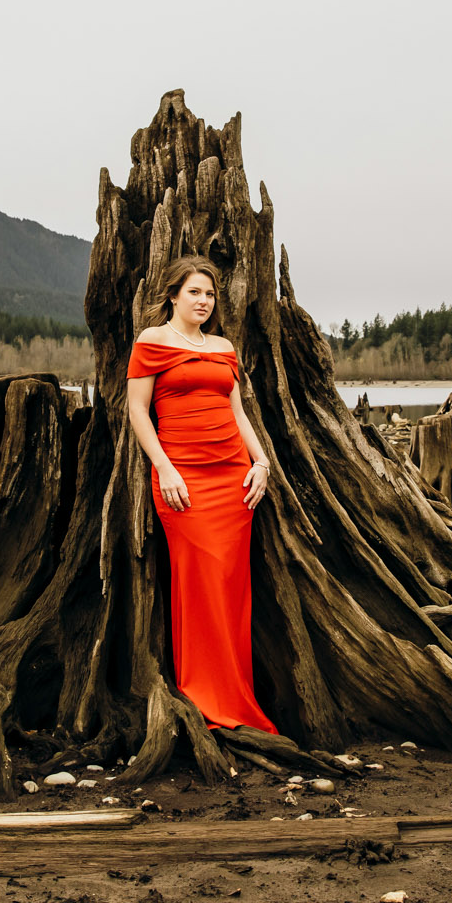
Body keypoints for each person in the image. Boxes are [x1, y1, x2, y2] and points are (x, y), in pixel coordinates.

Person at [125, 257, 278, 733]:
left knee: (232, 589)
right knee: (198, 585)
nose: (203, 301)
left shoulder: (223, 347)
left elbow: (238, 412)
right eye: (194, 292)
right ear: (173, 295)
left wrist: (261, 463)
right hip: (183, 482)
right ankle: (204, 700)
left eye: (209, 295)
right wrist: (164, 468)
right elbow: (136, 412)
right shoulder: (152, 342)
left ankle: (237, 697)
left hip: (233, 479)